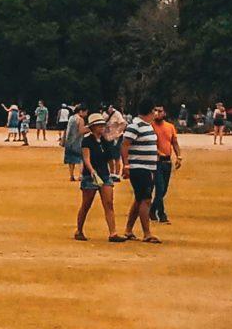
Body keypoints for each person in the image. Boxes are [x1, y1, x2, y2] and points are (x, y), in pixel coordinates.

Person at [74, 111, 121, 241]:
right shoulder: (87, 141)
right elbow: (86, 158)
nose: (102, 127)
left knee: (109, 203)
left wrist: (113, 172)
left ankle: (113, 233)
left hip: (104, 175)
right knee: (86, 204)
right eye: (99, 125)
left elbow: (110, 158)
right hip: (91, 176)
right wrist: (92, 171)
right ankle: (79, 230)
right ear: (93, 127)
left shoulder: (105, 141)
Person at [121, 107, 161, 242]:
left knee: (139, 199)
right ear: (150, 112)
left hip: (149, 167)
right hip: (139, 167)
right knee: (146, 199)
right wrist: (126, 165)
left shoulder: (148, 126)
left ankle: (128, 230)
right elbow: (124, 145)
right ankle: (147, 233)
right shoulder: (135, 126)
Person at [149, 103, 181, 221]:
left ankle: (152, 210)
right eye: (156, 110)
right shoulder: (150, 126)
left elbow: (174, 142)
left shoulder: (170, 127)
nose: (158, 113)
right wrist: (158, 153)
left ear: (164, 113)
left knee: (164, 189)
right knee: (160, 187)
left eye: (160, 111)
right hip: (156, 161)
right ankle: (161, 214)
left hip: (167, 161)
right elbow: (150, 144)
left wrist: (179, 156)